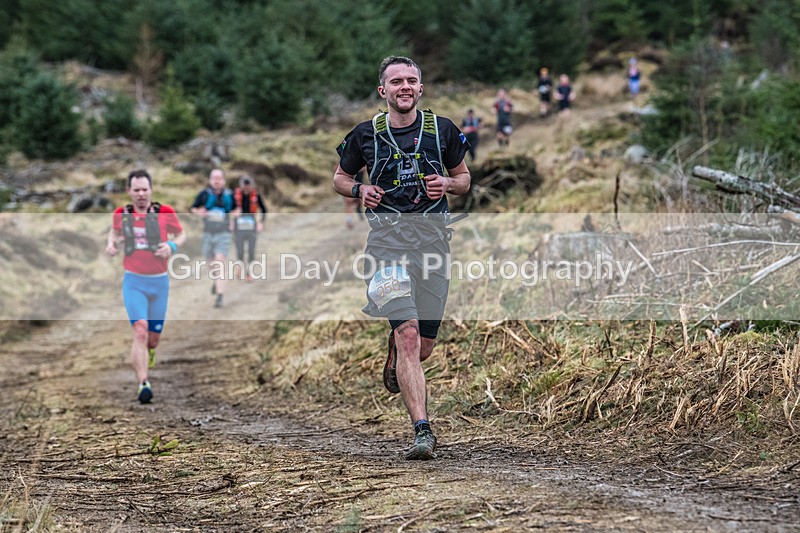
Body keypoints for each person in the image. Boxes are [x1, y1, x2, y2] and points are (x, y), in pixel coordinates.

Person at [333, 56, 470, 460]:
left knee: (423, 346)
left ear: (420, 88)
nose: (404, 86)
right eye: (396, 81)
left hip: (433, 245)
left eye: (411, 80)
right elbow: (339, 177)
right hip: (386, 246)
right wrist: (359, 190)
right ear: (383, 91)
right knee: (408, 334)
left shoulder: (442, 130)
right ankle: (422, 431)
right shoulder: (365, 134)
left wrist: (447, 183)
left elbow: (464, 179)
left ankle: (397, 349)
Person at [106, 169, 186, 404]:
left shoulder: (164, 212)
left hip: (159, 282)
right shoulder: (122, 214)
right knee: (140, 331)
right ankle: (143, 383)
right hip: (134, 282)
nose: (141, 194)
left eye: (144, 189)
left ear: (151, 189)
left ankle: (149, 351)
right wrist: (111, 244)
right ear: (128, 191)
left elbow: (181, 234)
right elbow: (114, 232)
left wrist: (172, 246)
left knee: (152, 339)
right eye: (136, 190)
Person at [191, 168, 235, 308]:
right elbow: (193, 208)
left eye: (219, 178)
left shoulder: (229, 195)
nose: (216, 181)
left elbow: (237, 209)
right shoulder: (204, 194)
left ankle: (219, 296)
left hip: (223, 234)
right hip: (208, 233)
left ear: (223, 181)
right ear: (210, 180)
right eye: (214, 178)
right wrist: (200, 212)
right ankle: (217, 281)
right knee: (211, 264)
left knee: (220, 262)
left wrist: (233, 217)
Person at [231, 175, 267, 280]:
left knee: (251, 250)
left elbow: (264, 210)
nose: (246, 188)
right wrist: (231, 220)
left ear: (251, 186)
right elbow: (228, 208)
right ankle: (240, 266)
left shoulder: (256, 195)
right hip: (238, 227)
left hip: (252, 226)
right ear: (241, 186)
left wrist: (261, 223)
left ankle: (249, 273)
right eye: (244, 186)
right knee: (240, 250)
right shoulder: (234, 195)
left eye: (248, 186)